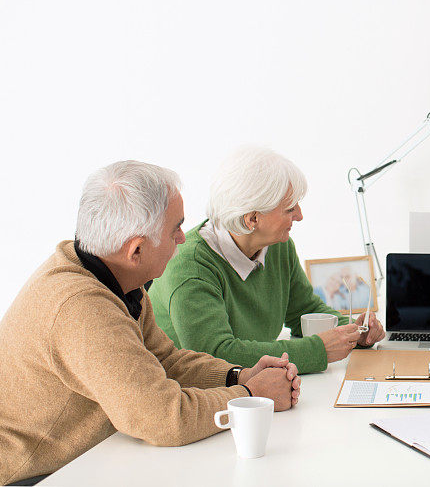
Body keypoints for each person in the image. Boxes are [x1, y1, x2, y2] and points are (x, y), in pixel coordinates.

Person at [0, 161, 301, 486]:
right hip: (34, 476)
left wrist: (237, 375)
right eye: (175, 229)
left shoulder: (114, 277)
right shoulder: (83, 309)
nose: (182, 239)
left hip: (88, 460)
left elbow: (165, 361)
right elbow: (164, 418)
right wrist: (248, 396)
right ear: (137, 250)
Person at [149, 147, 385, 375]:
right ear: (252, 218)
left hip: (252, 389)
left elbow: (304, 311)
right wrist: (318, 350)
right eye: (290, 208)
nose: (300, 216)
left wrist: (355, 330)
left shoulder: (278, 246)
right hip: (193, 396)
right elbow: (214, 355)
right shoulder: (190, 265)